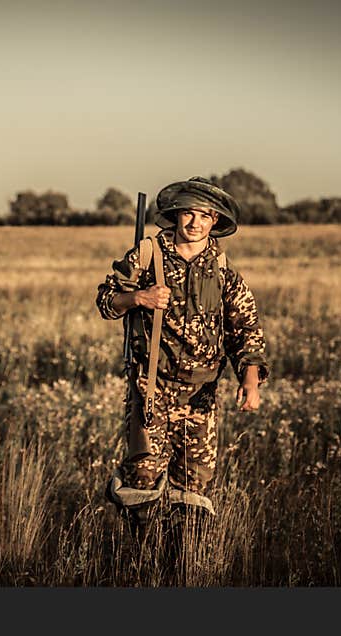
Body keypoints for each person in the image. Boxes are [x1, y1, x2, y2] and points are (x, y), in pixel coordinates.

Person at [96, 176, 269, 534]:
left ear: (215, 221)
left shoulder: (223, 271)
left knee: (194, 487)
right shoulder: (147, 255)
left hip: (200, 394)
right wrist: (138, 298)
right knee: (141, 478)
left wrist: (250, 381)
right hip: (151, 388)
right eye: (188, 214)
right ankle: (140, 557)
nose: (195, 223)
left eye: (204, 216)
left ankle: (183, 562)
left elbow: (246, 331)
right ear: (175, 215)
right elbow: (107, 301)